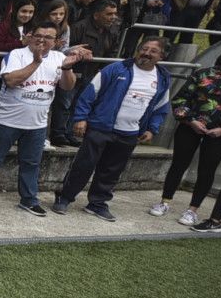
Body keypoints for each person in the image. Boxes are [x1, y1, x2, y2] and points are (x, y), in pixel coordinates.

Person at [0, 23, 90, 215]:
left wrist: (66, 69)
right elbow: (10, 80)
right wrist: (36, 62)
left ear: (56, 42)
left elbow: (67, 87)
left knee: (31, 164)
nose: (42, 39)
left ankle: (28, 199)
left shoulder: (59, 57)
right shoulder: (17, 54)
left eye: (48, 37)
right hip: (7, 120)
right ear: (30, 36)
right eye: (38, 35)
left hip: (37, 124)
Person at [54, 37, 170, 221]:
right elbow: (90, 93)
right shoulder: (117, 68)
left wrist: (152, 129)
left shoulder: (163, 78)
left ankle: (97, 203)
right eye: (144, 48)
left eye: (153, 51)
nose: (146, 53)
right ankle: (64, 197)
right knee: (83, 165)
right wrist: (81, 118)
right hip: (100, 127)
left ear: (162, 56)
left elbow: (161, 108)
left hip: (130, 133)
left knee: (111, 171)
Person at [149, 60, 221, 231]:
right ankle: (164, 202)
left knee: (207, 170)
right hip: (190, 126)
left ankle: (192, 210)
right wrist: (191, 121)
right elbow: (181, 100)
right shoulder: (202, 74)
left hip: (218, 134)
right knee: (178, 164)